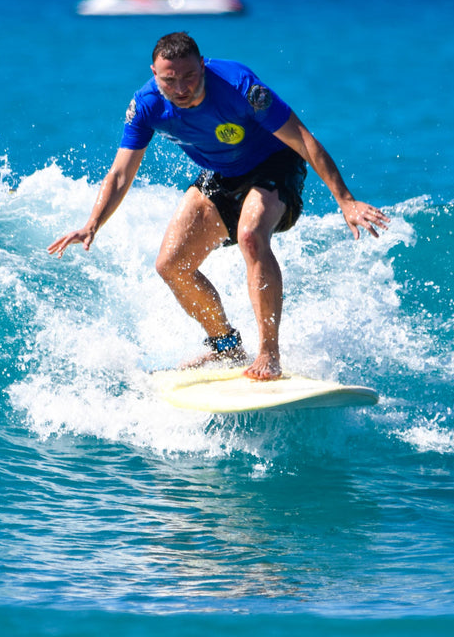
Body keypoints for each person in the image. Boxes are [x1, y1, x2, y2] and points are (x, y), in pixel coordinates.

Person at [48, 32, 389, 381]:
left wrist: (345, 200)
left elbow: (302, 138)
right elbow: (121, 174)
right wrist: (93, 223)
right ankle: (225, 347)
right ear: (154, 73)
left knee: (251, 235)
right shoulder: (147, 105)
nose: (180, 88)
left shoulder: (240, 87)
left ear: (203, 66)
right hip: (223, 174)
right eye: (168, 80)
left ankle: (269, 354)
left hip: (275, 165)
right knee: (171, 265)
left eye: (189, 77)